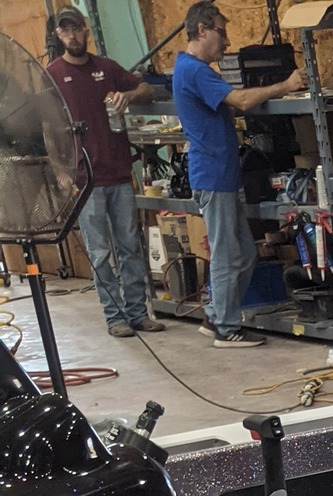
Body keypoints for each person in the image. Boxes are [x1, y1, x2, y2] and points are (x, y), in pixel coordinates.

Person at [171, 3, 303, 347]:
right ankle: (224, 327)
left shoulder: (194, 69)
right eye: (221, 32)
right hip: (213, 176)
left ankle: (217, 315)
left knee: (243, 254)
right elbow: (242, 101)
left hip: (222, 175)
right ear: (202, 30)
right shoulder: (195, 71)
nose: (226, 41)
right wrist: (284, 85)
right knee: (228, 255)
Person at [46, 7, 162, 339]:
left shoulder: (107, 68)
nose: (73, 35)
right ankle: (115, 318)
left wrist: (128, 95)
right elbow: (47, 127)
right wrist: (60, 170)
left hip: (119, 174)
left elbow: (147, 89)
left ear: (86, 30)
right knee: (99, 253)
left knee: (130, 247)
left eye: (77, 28)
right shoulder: (53, 75)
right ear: (59, 35)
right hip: (86, 181)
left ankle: (138, 313)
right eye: (66, 30)